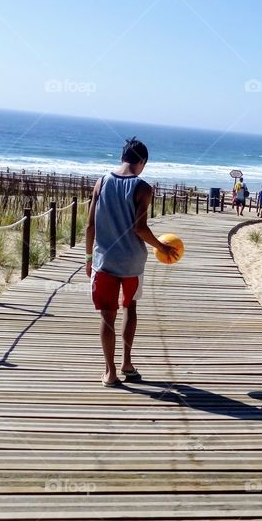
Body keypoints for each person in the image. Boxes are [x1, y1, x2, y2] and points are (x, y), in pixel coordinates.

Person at [86, 137, 179, 387]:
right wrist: (162, 247)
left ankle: (110, 372)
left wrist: (87, 258)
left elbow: (90, 226)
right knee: (130, 308)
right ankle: (127, 362)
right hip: (132, 263)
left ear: (122, 157)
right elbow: (140, 228)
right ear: (142, 162)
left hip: (104, 261)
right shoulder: (143, 188)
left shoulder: (101, 182)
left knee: (107, 316)